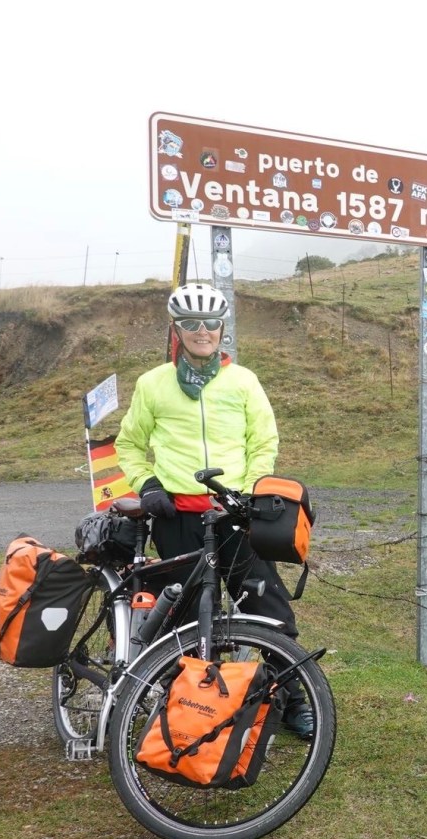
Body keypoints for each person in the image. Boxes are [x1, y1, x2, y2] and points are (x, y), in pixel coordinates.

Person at [115, 282, 314, 739]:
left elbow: (263, 441)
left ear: (221, 328)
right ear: (177, 329)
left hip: (234, 516)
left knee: (268, 608)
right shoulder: (153, 384)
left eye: (210, 323)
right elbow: (129, 443)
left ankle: (294, 701)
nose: (201, 331)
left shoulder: (243, 381)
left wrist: (250, 491)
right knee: (183, 619)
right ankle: (188, 708)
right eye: (191, 323)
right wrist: (147, 485)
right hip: (177, 518)